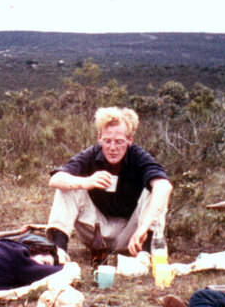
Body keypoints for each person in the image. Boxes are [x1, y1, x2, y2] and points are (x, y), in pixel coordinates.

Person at [45, 107, 173, 262]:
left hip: (132, 233)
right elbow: (55, 179)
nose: (113, 148)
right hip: (96, 233)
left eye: (119, 142)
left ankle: (145, 254)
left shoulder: (138, 157)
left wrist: (142, 229)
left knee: (156, 191)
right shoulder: (91, 155)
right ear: (99, 137)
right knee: (68, 187)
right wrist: (87, 181)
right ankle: (57, 252)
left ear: (129, 139)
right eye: (107, 141)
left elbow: (164, 186)